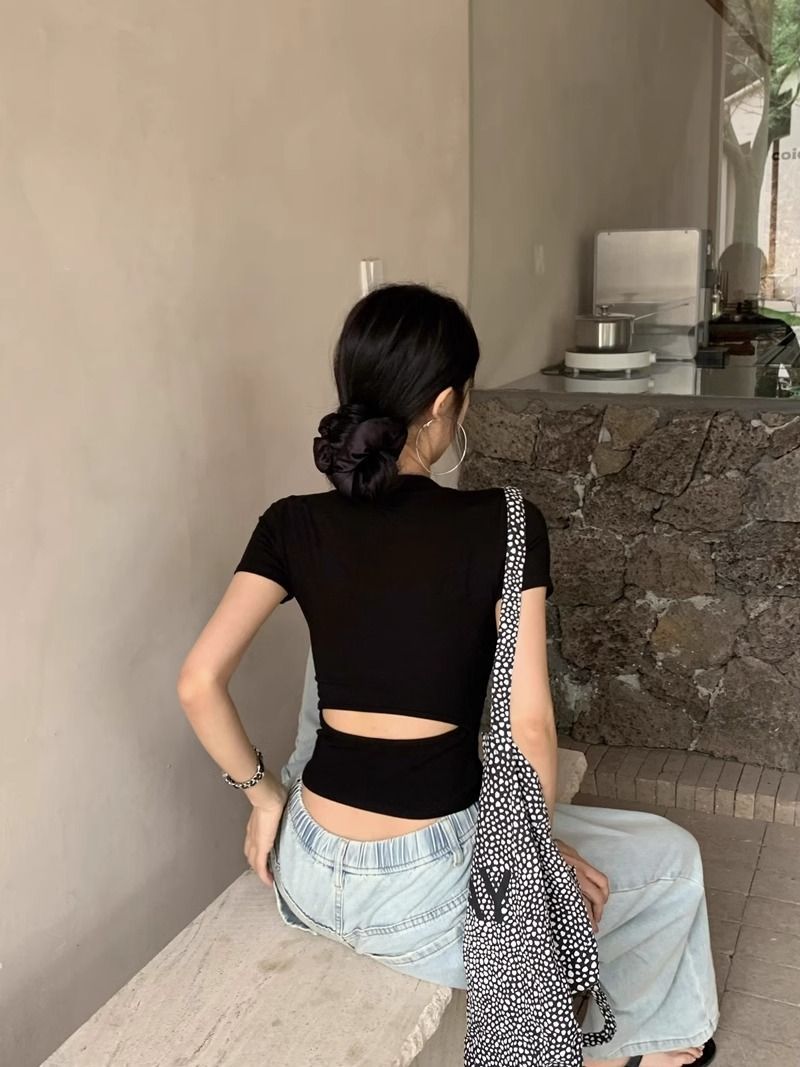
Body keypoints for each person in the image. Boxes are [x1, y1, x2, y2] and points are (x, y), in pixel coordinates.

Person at [178, 284, 719, 1067]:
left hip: (304, 874)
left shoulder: (291, 522)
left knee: (340, 659)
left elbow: (198, 681)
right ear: (443, 404)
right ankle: (629, 1048)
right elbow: (529, 727)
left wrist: (264, 799)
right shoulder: (504, 523)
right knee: (668, 856)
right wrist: (535, 859)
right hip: (427, 902)